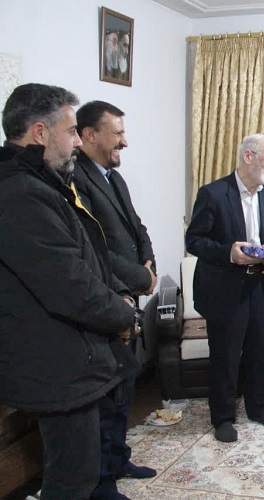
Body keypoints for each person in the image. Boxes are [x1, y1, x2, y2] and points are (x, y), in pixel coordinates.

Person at [0, 83, 139, 498]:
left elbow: (89, 258)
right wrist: (124, 314)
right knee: (71, 479)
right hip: (55, 364)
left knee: (81, 470)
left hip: (69, 359)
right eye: (72, 131)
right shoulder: (22, 194)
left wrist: (120, 297)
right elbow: (70, 285)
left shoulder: (43, 184)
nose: (77, 141)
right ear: (40, 133)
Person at [73, 100, 157, 498]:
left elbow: (137, 228)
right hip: (106, 299)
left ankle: (119, 458)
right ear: (90, 135)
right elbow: (94, 249)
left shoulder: (113, 178)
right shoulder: (76, 180)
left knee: (125, 385)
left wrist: (149, 264)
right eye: (117, 134)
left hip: (128, 295)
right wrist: (139, 279)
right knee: (107, 395)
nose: (125, 141)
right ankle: (102, 480)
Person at [185, 134, 264, 443]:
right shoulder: (213, 193)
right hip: (224, 288)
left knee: (259, 350)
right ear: (248, 157)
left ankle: (258, 409)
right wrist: (229, 253)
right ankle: (223, 418)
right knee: (226, 355)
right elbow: (194, 241)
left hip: (258, 284)